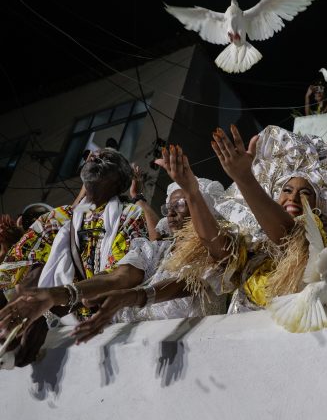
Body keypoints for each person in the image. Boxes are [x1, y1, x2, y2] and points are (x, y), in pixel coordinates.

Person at [0, 148, 148, 367]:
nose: (95, 158)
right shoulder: (56, 217)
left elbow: (123, 275)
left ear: (120, 180)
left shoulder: (130, 214)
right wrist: (23, 310)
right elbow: (19, 267)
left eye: (107, 158)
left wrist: (53, 304)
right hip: (54, 312)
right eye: (92, 157)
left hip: (98, 315)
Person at [73, 146, 229, 343]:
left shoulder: (217, 251)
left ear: (203, 209)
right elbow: (120, 275)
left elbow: (189, 282)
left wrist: (133, 296)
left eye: (180, 205)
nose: (170, 213)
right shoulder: (158, 250)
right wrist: (70, 293)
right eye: (168, 207)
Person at [211, 125, 327, 313]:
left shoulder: (318, 239)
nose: (293, 198)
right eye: (287, 190)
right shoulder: (254, 242)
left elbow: (288, 235)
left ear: (318, 206)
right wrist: (192, 192)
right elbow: (218, 249)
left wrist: (245, 178)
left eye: (305, 193)